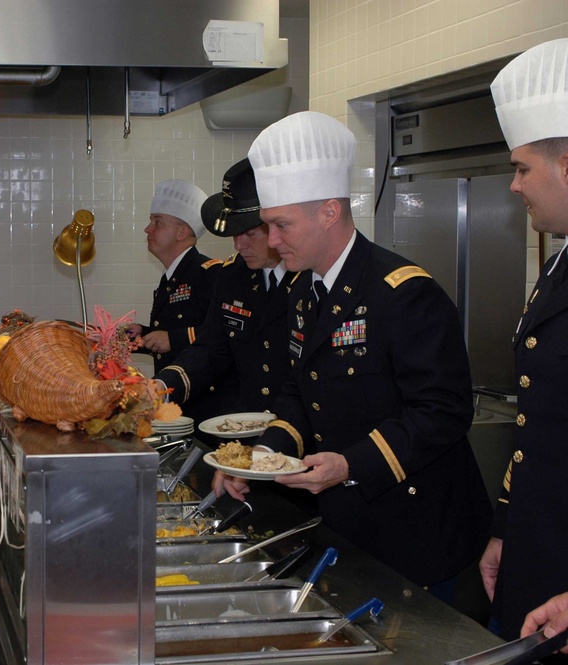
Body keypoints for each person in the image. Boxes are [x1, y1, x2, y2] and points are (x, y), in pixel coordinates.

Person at [213, 111, 492, 602]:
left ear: (328, 212)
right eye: (268, 227)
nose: (272, 242)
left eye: (281, 225)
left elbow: (444, 411)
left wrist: (351, 463)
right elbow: (300, 391)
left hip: (420, 534)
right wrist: (260, 456)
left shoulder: (402, 292)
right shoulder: (303, 292)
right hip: (349, 524)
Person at [479, 38, 568, 646]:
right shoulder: (560, 266)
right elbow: (537, 435)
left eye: (522, 167)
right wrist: (507, 529)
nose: (514, 186)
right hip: (541, 552)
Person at [156, 159, 296, 426]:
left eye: (250, 233)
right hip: (242, 427)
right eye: (234, 234)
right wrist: (163, 385)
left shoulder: (308, 277)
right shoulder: (233, 274)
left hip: (297, 433)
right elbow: (211, 349)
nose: (238, 245)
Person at [126, 179, 220, 374]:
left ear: (182, 232)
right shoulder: (172, 276)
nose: (148, 228)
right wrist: (143, 334)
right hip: (174, 390)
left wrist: (174, 339)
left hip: (201, 397)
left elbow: (224, 332)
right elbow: (170, 333)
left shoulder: (210, 274)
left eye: (157, 222)